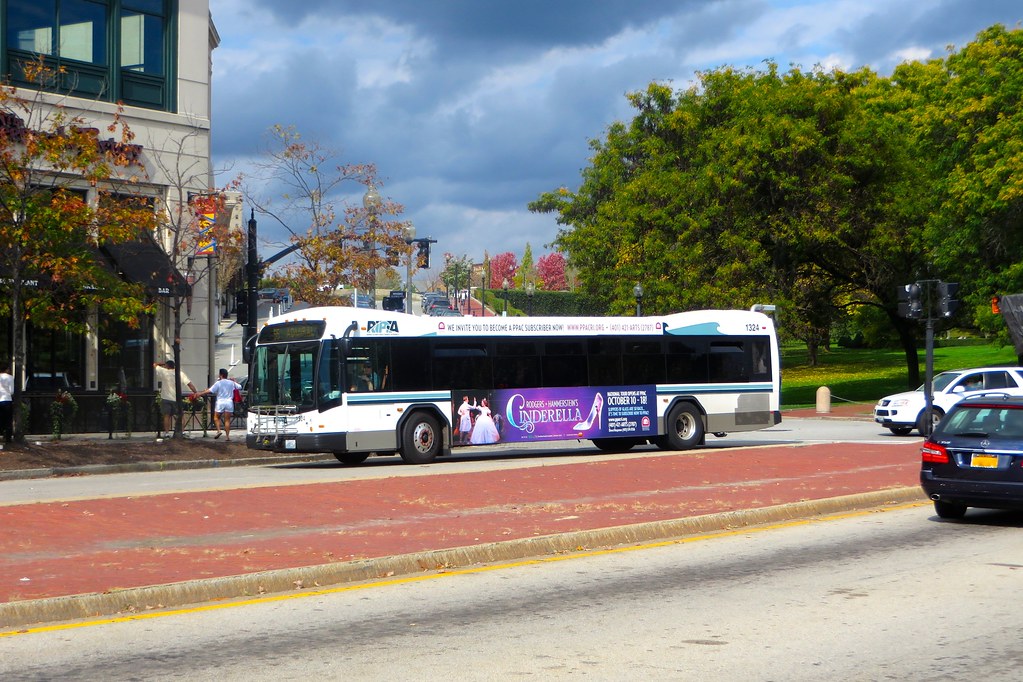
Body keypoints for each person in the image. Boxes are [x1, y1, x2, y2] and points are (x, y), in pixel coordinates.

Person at [154, 359, 197, 433]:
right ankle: (181, 432)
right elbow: (189, 384)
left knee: (166, 416)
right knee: (181, 416)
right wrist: (196, 392)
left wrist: (162, 363)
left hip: (165, 397)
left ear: (167, 366)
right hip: (177, 398)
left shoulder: (164, 372)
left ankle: (167, 433)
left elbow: (155, 364)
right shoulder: (180, 374)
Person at [198, 368, 242, 441]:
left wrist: (200, 393)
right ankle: (227, 437)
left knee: (216, 417)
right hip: (229, 402)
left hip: (220, 402)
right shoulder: (231, 383)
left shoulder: (218, 383)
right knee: (227, 420)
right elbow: (240, 387)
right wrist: (234, 381)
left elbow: (210, 390)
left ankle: (219, 431)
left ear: (220, 375)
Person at [0, 362, 13, 443]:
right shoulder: (10, 377)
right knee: (8, 420)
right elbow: (11, 391)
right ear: (7, 369)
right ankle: (8, 439)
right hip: (7, 399)